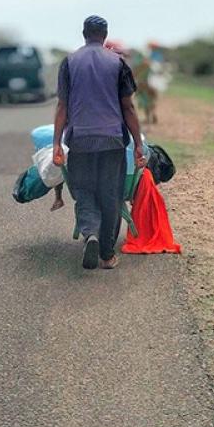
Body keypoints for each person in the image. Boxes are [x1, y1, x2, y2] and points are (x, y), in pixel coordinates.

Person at [53, 15, 146, 270]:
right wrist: (138, 143)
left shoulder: (69, 62)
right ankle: (106, 254)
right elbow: (128, 107)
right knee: (111, 195)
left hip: (80, 139)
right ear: (104, 35)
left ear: (84, 33)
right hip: (112, 140)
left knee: (84, 191)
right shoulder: (118, 63)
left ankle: (89, 233)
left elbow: (62, 106)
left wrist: (57, 144)